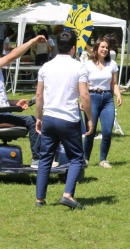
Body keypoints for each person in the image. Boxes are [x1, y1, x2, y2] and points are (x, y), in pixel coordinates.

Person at [35, 31, 93, 209]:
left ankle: (40, 199)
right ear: (73, 48)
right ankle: (67, 194)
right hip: (68, 118)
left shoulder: (45, 67)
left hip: (50, 117)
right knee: (77, 158)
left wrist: (39, 117)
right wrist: (90, 119)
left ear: (57, 46)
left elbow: (39, 95)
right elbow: (84, 95)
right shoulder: (79, 67)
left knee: (45, 158)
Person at [0, 35, 48, 167]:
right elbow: (13, 54)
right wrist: (32, 41)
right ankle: (37, 159)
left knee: (30, 120)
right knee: (33, 121)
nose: (0, 58)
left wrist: (14, 103)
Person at [82, 37, 122, 169]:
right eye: (102, 47)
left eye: (107, 47)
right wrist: (84, 100)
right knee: (90, 131)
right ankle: (85, 158)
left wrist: (118, 95)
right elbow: (84, 85)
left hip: (107, 99)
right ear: (96, 49)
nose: (105, 49)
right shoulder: (87, 65)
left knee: (107, 131)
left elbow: (114, 84)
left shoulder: (112, 65)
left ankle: (103, 159)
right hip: (92, 97)